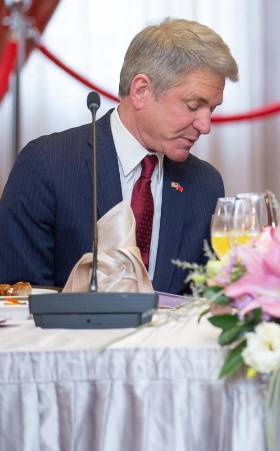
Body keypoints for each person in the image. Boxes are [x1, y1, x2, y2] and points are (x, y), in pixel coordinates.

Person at [0, 18, 238, 294]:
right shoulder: (47, 164)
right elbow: (17, 297)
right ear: (141, 91)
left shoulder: (205, 184)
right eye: (194, 105)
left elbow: (206, 300)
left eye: (212, 109)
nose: (205, 125)